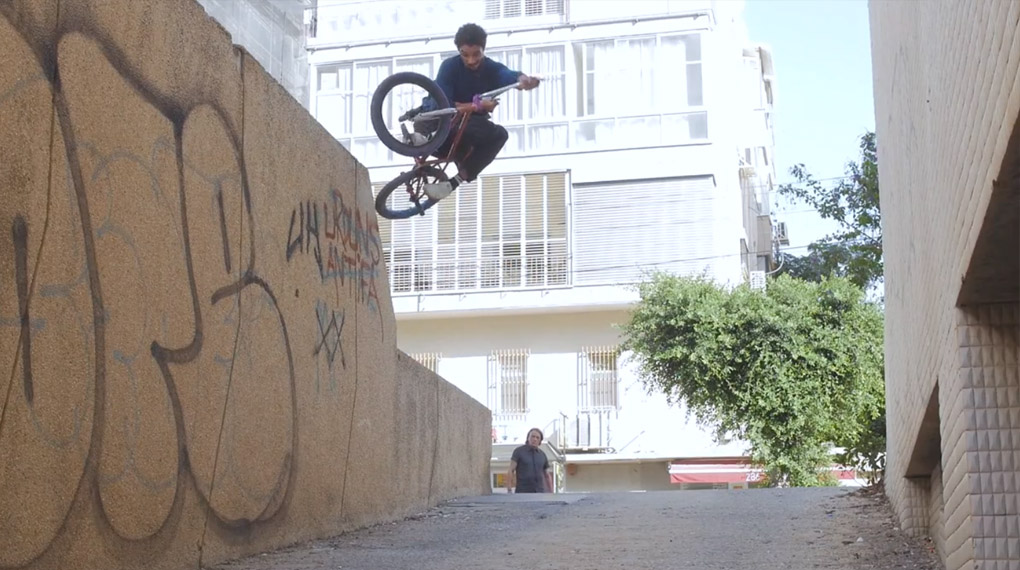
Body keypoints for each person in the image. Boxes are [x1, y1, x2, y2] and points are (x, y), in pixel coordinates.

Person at [420, 23, 541, 201]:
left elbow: (507, 74)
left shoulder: (491, 69)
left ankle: (454, 182)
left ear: (483, 50)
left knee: (499, 134)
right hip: (437, 126)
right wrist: (478, 106)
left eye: (476, 54)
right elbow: (444, 106)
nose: (471, 60)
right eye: (465, 54)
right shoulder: (449, 67)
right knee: (441, 112)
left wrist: (523, 80)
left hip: (463, 136)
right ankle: (418, 140)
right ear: (458, 51)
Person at [507, 428, 553, 493]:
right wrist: (509, 489)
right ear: (528, 438)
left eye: (537, 438)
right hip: (523, 492)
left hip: (539, 492)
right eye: (533, 436)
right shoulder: (519, 451)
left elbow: (547, 475)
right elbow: (511, 470)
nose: (535, 439)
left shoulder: (542, 455)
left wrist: (551, 492)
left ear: (540, 441)